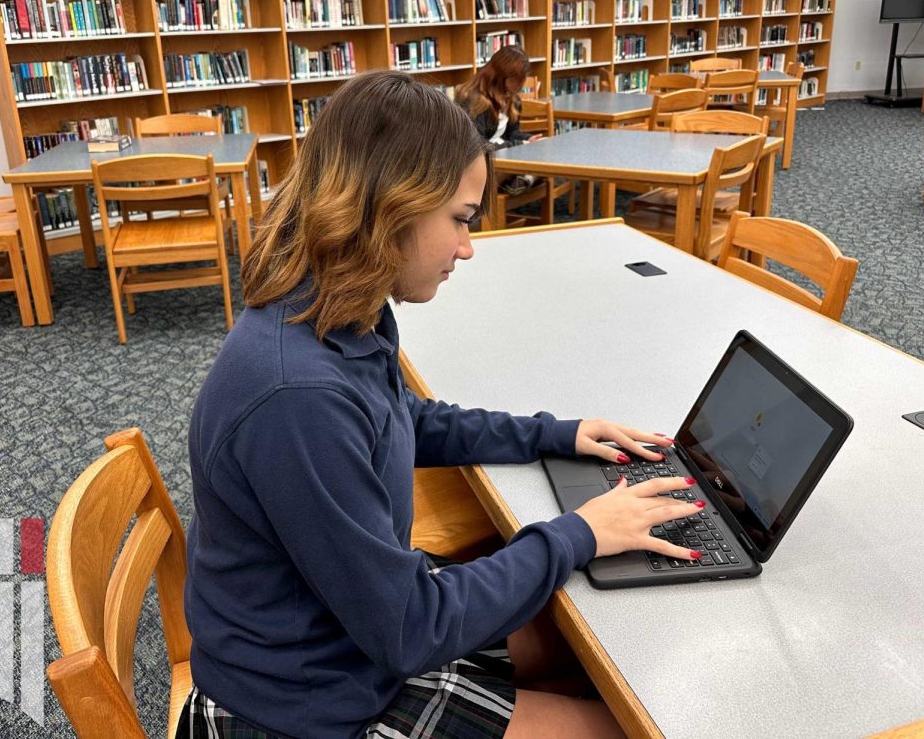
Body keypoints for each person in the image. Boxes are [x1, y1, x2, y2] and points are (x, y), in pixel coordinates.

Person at [181, 70, 703, 739]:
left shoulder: (337, 309)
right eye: (458, 219)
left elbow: (406, 419)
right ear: (392, 207)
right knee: (618, 722)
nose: (467, 246)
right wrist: (580, 531)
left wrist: (556, 435)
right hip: (307, 705)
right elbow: (410, 628)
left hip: (347, 638)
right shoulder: (297, 395)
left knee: (584, 646)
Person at [455, 45, 541, 193]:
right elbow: (476, 146)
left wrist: (530, 140)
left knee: (542, 156)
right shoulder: (474, 101)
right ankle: (523, 179)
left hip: (501, 156)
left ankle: (522, 180)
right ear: (501, 77)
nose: (520, 86)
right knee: (534, 166)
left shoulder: (512, 99)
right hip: (478, 162)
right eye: (517, 80)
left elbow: (511, 134)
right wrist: (520, 144)